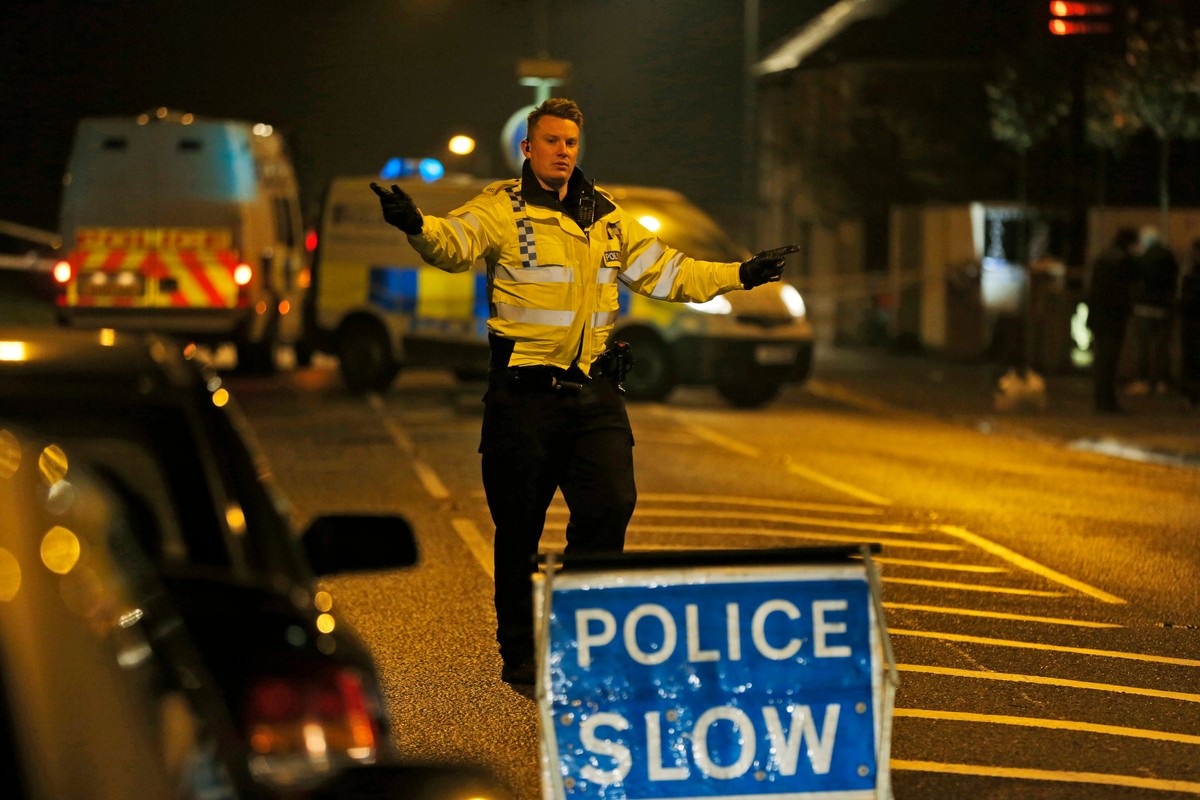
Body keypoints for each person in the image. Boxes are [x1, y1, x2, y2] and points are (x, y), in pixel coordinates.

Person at [370, 98, 791, 687]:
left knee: (611, 506)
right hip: (523, 396)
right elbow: (454, 244)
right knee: (518, 532)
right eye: (551, 141)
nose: (563, 151)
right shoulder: (502, 207)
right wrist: (416, 225)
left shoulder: (606, 217)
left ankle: (580, 639)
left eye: (571, 142)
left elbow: (670, 272)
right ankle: (520, 651)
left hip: (594, 393)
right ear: (528, 147)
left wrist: (740, 274)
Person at [1085, 227, 1139, 413]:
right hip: (1113, 317)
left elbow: (1094, 289)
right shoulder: (1123, 261)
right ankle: (1107, 402)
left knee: (1102, 360)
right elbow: (1128, 286)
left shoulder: (1104, 258)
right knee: (1109, 360)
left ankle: (1102, 400)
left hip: (1100, 315)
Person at [1128, 225, 1180, 395]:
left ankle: (1141, 381)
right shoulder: (1169, 257)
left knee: (1143, 346)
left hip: (1144, 307)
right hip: (1163, 307)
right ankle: (1160, 381)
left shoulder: (1142, 258)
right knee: (1161, 347)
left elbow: (1135, 279)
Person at [1179, 238, 1200, 410]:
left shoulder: (1193, 275)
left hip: (1193, 324)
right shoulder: (1192, 274)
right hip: (1192, 324)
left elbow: (1188, 302)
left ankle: (1191, 397)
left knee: (1192, 363)